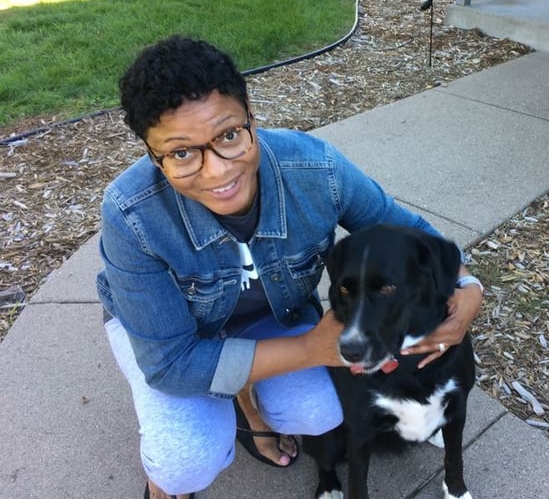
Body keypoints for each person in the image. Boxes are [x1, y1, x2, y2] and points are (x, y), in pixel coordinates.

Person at [96, 36, 484, 499]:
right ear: (150, 152)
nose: (218, 171)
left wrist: (469, 287)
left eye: (228, 136)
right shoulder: (131, 214)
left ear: (250, 118)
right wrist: (310, 350)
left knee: (319, 411)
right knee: (185, 458)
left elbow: (415, 233)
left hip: (268, 317)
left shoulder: (315, 170)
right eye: (181, 153)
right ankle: (175, 477)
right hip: (177, 336)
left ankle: (246, 401)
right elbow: (171, 365)